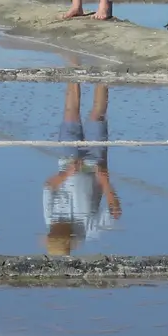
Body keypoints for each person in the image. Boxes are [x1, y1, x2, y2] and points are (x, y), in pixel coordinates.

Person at [43, 81, 122, 255]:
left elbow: (49, 186)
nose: (56, 226)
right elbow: (115, 212)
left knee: (71, 113)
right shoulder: (90, 230)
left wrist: (66, 174)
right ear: (69, 236)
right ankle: (103, 76)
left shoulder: (50, 220)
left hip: (67, 160)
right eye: (58, 230)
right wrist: (105, 181)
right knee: (96, 116)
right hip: (94, 164)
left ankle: (74, 67)